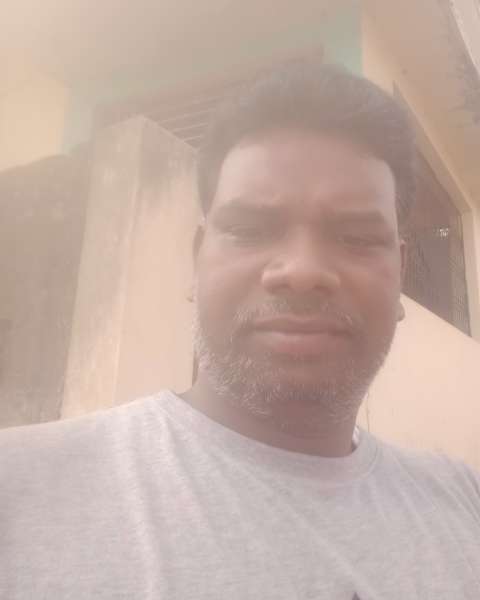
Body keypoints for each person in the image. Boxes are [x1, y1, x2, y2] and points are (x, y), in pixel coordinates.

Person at [1, 60, 479, 600]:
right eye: (251, 229)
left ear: (399, 277)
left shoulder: (463, 507)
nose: (301, 271)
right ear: (196, 261)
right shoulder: (19, 494)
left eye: (356, 237)